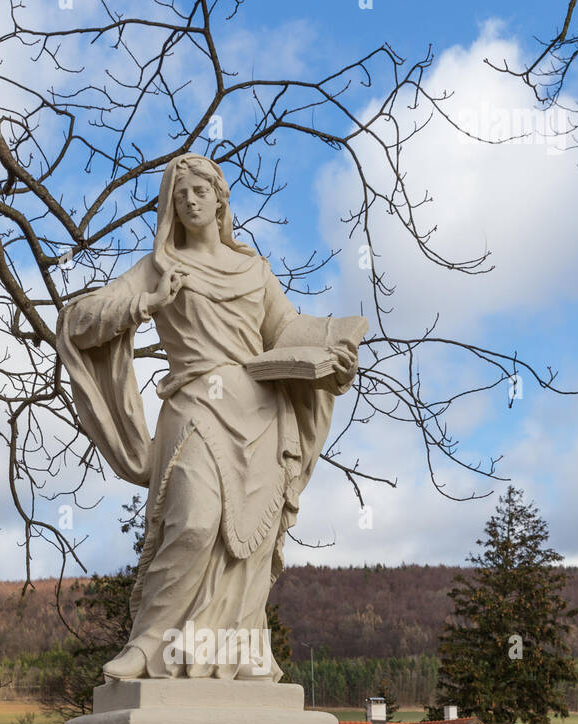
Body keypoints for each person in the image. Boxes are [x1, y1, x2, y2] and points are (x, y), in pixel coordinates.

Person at [57, 154, 361, 680]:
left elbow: (285, 329)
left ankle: (240, 651)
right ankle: (153, 645)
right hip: (195, 404)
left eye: (200, 191)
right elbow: (80, 322)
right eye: (180, 195)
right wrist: (145, 304)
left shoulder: (254, 270)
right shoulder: (161, 267)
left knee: (248, 545)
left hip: (261, 414)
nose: (190, 200)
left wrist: (332, 351)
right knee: (195, 523)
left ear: (221, 198)